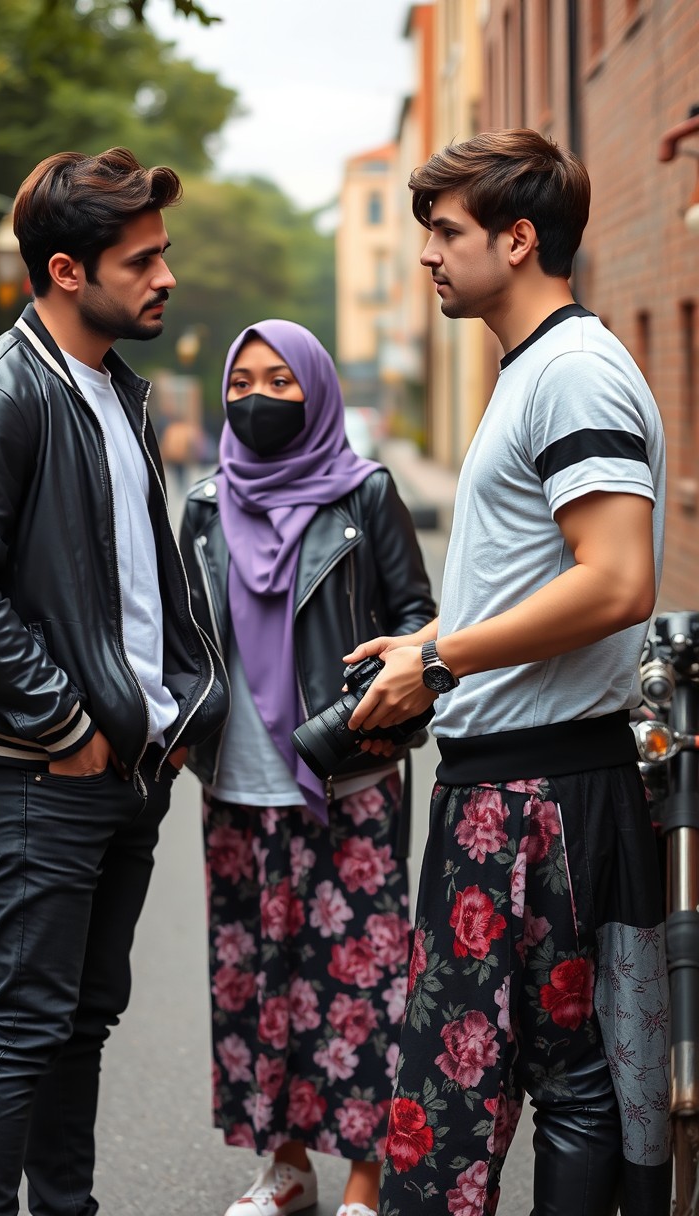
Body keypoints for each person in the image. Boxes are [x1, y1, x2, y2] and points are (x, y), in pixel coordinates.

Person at [343, 130, 670, 1215]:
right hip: (519, 780)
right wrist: (433, 646)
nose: (427, 254)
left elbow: (616, 581)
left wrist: (441, 656)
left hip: (541, 794)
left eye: (445, 233)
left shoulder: (571, 371)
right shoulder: (537, 368)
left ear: (517, 239)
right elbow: (538, 578)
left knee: (557, 1082)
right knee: (509, 1081)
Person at [0, 147, 228, 1216]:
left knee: (82, 1018)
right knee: (25, 1021)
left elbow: (138, 584)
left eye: (162, 255)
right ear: (64, 269)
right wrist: (63, 721)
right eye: (141, 260)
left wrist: (176, 711)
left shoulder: (114, 393)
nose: (165, 277)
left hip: (125, 768)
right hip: (42, 772)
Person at [179, 319, 437, 1216]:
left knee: (361, 980)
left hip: (345, 785)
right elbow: (182, 643)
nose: (259, 398)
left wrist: (369, 723)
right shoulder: (207, 506)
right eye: (243, 380)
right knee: (258, 985)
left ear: (318, 391)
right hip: (234, 792)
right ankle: (286, 1168)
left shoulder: (365, 494)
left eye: (282, 382)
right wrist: (181, 724)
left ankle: (369, 1177)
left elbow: (418, 624)